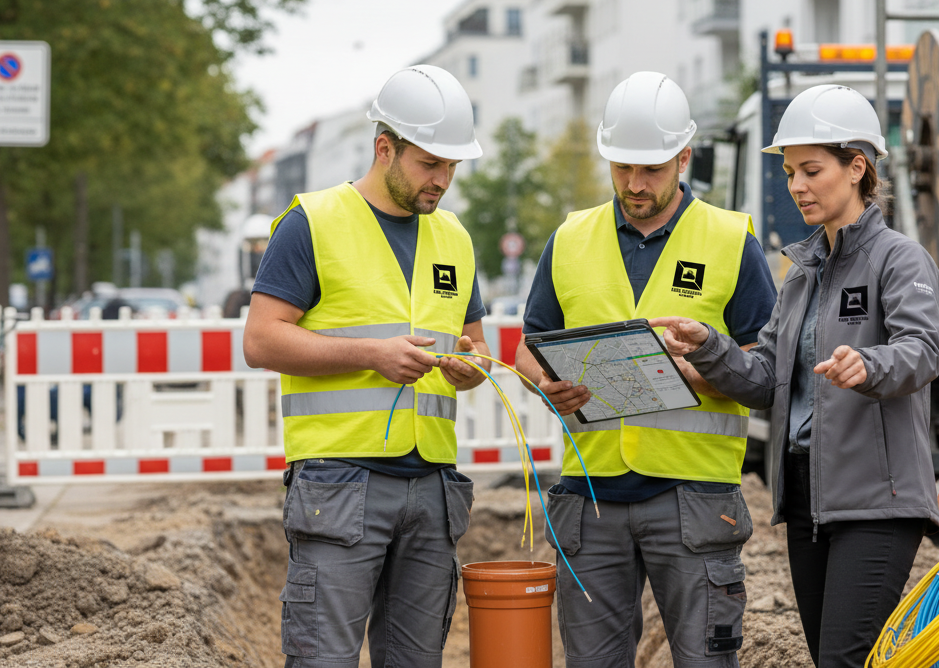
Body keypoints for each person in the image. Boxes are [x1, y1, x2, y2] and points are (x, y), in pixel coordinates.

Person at [650, 84, 939, 668]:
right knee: (828, 656)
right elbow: (766, 380)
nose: (796, 186)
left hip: (877, 502)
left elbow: (923, 350)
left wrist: (870, 364)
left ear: (857, 166)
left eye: (811, 170)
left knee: (844, 658)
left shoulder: (899, 259)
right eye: (790, 173)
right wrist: (709, 348)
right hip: (809, 498)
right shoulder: (801, 273)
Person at [515, 71, 778, 668]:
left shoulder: (729, 240)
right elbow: (529, 347)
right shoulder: (569, 238)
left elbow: (765, 372)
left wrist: (699, 369)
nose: (635, 184)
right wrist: (546, 384)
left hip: (694, 501)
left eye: (652, 169)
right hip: (590, 499)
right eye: (622, 168)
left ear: (684, 157)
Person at [243, 65, 492, 668]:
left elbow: (476, 347)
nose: (442, 181)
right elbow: (261, 340)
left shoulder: (454, 237)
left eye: (452, 168)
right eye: (430, 164)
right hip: (338, 482)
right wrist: (369, 355)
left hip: (432, 487)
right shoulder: (314, 222)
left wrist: (471, 366)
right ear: (386, 148)